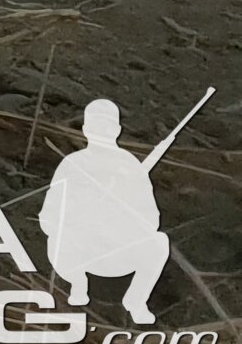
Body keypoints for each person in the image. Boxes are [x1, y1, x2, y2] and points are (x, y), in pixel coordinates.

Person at [38, 99, 174, 324]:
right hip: (78, 251)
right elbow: (48, 216)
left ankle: (136, 301)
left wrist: (124, 212)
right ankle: (77, 283)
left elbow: (152, 220)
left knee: (159, 242)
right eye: (96, 127)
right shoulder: (72, 164)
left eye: (107, 127)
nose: (101, 132)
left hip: (117, 251)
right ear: (85, 130)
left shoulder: (130, 166)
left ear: (117, 130)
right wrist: (77, 221)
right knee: (57, 240)